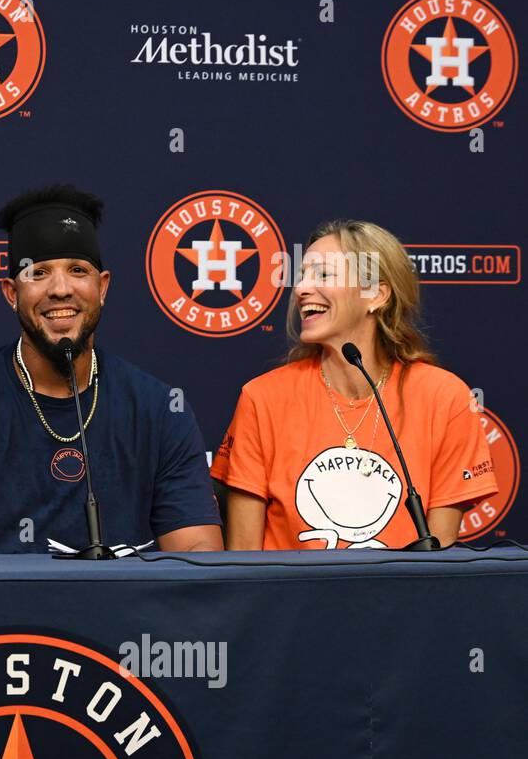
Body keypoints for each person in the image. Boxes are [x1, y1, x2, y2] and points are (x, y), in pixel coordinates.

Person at [0, 184, 223, 554]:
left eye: (77, 270)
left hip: (130, 610)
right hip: (3, 612)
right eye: (38, 273)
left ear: (102, 287)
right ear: (12, 293)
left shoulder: (161, 409)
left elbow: (197, 550)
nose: (60, 289)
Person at [212, 219, 496, 549]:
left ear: (375, 294)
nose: (302, 288)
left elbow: (438, 565)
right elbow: (243, 563)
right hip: (288, 601)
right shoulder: (262, 398)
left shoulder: (444, 398)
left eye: (323, 274)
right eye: (302, 275)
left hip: (400, 600)